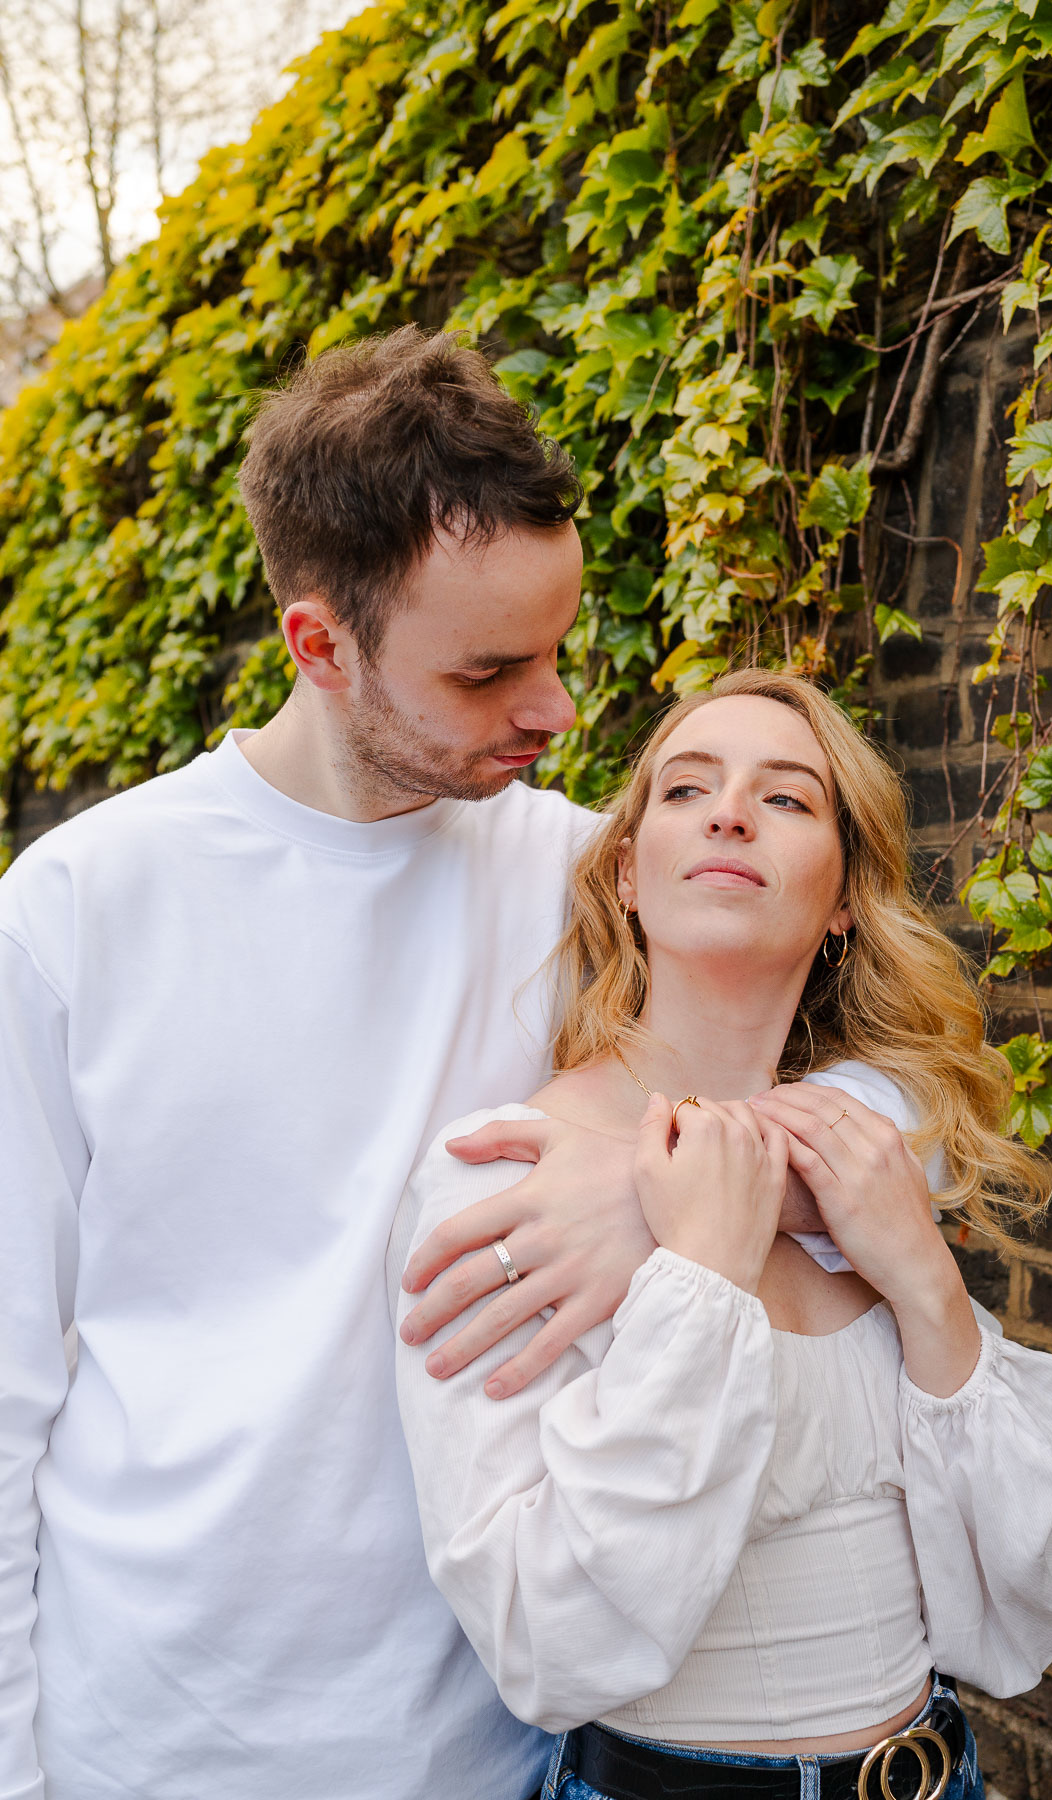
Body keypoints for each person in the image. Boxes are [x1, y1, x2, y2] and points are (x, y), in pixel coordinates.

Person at [0, 326, 669, 1800]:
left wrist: (651, 1184)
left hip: (499, 1751)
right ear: (318, 643)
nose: (554, 710)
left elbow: (887, 1076)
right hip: (153, 1745)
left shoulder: (583, 880)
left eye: (560, 649)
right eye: (492, 670)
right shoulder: (75, 911)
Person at [391, 670, 1052, 1800]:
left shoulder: (864, 1159)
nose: (728, 812)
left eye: (786, 800)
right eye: (685, 789)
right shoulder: (505, 1177)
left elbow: (1027, 1609)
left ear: (841, 902)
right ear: (626, 873)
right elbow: (543, 1644)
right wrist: (699, 1284)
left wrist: (921, 1280)